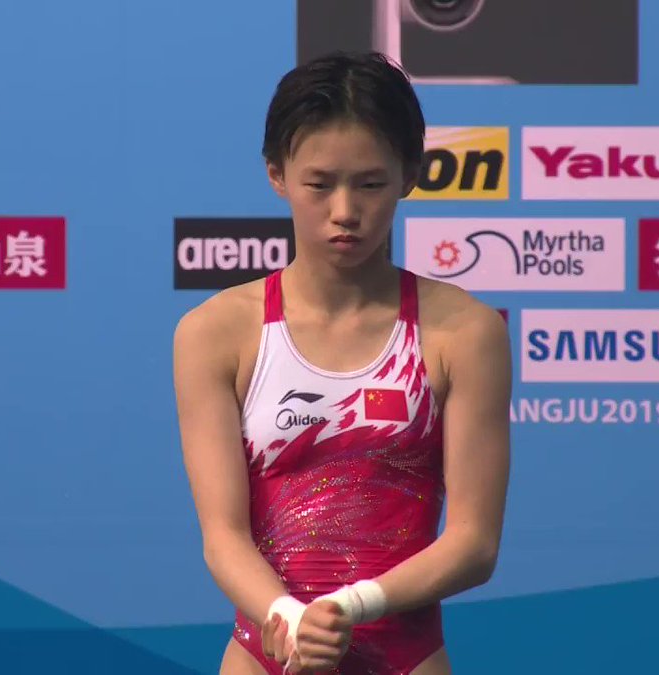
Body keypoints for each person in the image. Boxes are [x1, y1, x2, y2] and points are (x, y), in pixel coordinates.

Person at [173, 51, 510, 674]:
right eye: (320, 183)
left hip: (405, 658)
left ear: (411, 173)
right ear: (277, 174)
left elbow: (475, 542)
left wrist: (350, 606)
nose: (345, 211)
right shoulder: (214, 333)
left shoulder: (465, 332)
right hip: (263, 655)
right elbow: (222, 535)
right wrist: (290, 617)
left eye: (371, 183)